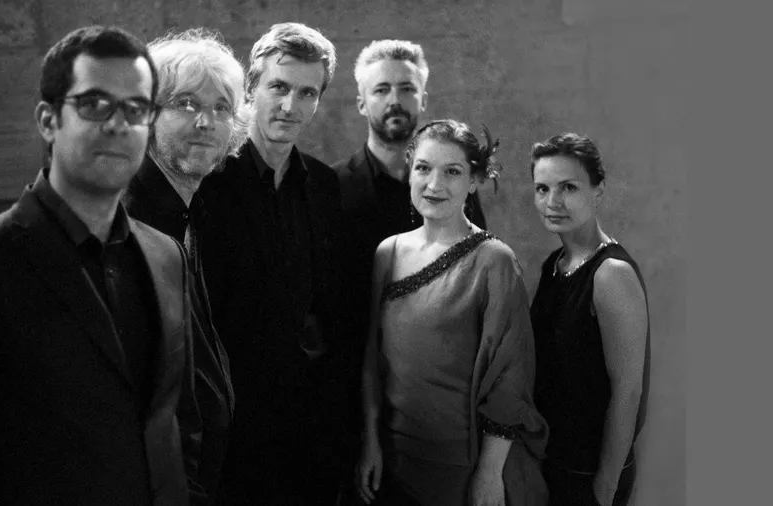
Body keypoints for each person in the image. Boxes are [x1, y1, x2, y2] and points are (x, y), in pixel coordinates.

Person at [0, 25, 197, 505]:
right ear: (48, 120)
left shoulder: (166, 255)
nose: (119, 124)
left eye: (136, 108)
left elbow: (173, 418)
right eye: (95, 103)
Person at [354, 119, 548, 506]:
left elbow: (510, 379)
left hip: (461, 465)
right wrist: (371, 443)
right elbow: (372, 359)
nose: (434, 184)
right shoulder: (388, 252)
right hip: (394, 459)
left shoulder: (495, 261)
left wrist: (489, 473)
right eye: (423, 168)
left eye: (452, 172)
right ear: (409, 172)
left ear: (474, 180)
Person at [197, 22, 347, 505]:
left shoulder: (323, 185)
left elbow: (326, 305)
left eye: (307, 93)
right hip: (232, 425)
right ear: (251, 87)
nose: (290, 106)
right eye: (279, 87)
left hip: (308, 423)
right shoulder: (208, 182)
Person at [332, 44, 489, 476]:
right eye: (381, 89)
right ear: (361, 102)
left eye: (406, 88)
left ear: (423, 99)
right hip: (351, 400)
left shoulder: (454, 189)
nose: (395, 100)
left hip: (441, 404)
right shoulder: (332, 189)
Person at [122, 27, 244, 505]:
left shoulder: (195, 212)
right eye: (186, 103)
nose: (206, 122)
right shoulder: (128, 225)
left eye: (222, 108)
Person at [528, 133, 651, 506]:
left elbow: (628, 391)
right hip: (555, 465)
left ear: (598, 190)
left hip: (591, 477)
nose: (552, 202)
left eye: (568, 187)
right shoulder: (554, 265)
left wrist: (605, 488)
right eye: (542, 188)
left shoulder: (611, 273)